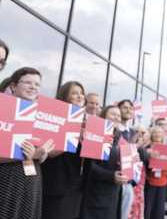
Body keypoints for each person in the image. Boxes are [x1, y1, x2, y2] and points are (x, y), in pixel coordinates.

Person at [0, 67, 55, 219]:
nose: (33, 87)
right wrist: (26, 156)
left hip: (31, 181)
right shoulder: (2, 108)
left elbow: (40, 156)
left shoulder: (41, 115)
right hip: (6, 180)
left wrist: (41, 154)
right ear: (13, 86)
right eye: (28, 82)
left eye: (37, 84)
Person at [42, 81, 86, 219]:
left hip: (75, 185)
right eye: (74, 93)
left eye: (81, 93)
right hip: (56, 183)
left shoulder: (85, 121)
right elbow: (49, 152)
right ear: (64, 96)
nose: (80, 96)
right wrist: (73, 136)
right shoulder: (53, 116)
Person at [81, 105, 127, 219]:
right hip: (95, 195)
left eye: (118, 115)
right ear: (103, 116)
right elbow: (89, 166)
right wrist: (111, 176)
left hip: (113, 195)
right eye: (113, 114)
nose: (116, 117)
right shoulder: (95, 133)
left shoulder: (121, 140)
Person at [144, 126, 167, 219]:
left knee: (159, 210)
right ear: (151, 134)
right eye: (155, 132)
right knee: (148, 209)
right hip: (149, 182)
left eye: (160, 132)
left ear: (163, 135)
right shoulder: (146, 148)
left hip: (163, 182)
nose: (157, 134)